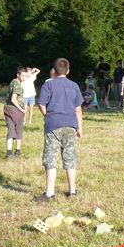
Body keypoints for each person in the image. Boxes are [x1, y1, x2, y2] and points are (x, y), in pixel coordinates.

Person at [34, 58, 83, 202]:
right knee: (70, 157)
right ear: (68, 71)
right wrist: (79, 128)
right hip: (70, 124)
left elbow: (41, 104)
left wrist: (47, 116)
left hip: (53, 125)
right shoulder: (74, 85)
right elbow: (78, 109)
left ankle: (49, 193)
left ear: (54, 71)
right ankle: (72, 191)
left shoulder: (48, 84)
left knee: (51, 157)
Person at [4, 67, 28, 159]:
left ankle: (9, 152)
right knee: (19, 130)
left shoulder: (13, 82)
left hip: (7, 108)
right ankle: (17, 151)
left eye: (26, 76)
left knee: (10, 130)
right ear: (18, 75)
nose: (24, 78)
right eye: (23, 75)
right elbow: (14, 99)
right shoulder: (17, 85)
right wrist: (22, 110)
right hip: (15, 110)